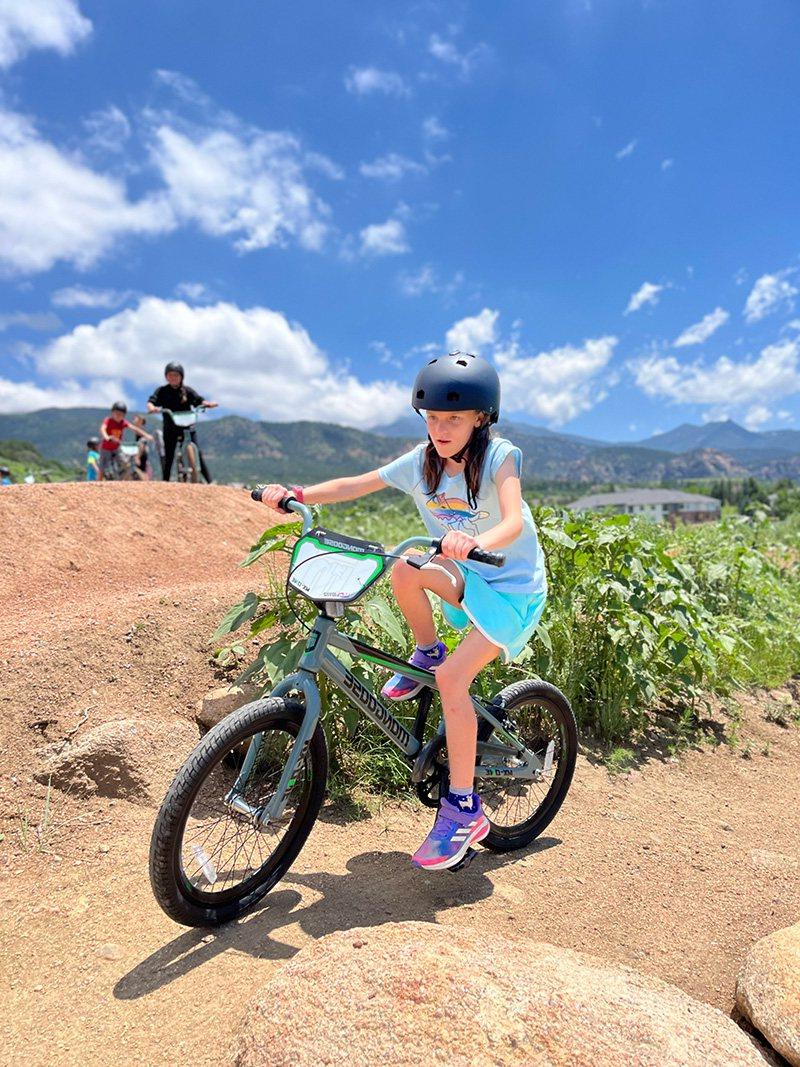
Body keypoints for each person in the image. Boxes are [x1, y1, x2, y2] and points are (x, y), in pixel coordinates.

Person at [256, 352, 547, 871]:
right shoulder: (421, 463)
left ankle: (463, 809)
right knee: (406, 566)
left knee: (455, 683)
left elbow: (513, 523)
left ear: (481, 418)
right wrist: (297, 494)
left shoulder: (500, 456)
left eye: (453, 418)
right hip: (467, 574)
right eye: (432, 417)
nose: (440, 428)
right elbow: (356, 484)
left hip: (512, 586)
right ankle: (428, 651)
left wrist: (472, 539)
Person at [147, 363, 218, 482]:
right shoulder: (162, 391)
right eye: (170, 375)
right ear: (166, 377)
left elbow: (198, 400)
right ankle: (165, 481)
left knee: (197, 453)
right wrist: (151, 407)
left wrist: (207, 404)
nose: (173, 378)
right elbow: (151, 401)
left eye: (176, 375)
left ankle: (209, 482)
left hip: (187, 427)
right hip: (170, 428)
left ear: (181, 377)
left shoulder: (187, 391)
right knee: (169, 455)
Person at [98, 402, 153, 479]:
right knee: (102, 467)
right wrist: (106, 437)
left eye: (121, 415)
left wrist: (146, 435)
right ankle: (98, 482)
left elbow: (134, 428)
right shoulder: (108, 420)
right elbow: (102, 429)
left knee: (125, 463)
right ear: (112, 413)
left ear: (124, 415)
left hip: (117, 448)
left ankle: (123, 481)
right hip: (106, 448)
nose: (118, 416)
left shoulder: (123, 422)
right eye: (116, 413)